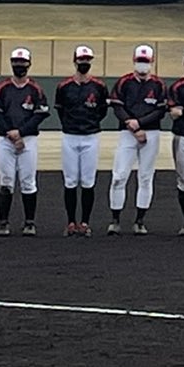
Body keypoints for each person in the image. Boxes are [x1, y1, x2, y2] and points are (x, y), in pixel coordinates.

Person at [0, 49, 50, 236]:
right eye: (16, 62)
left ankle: (29, 222)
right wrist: (11, 133)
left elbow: (40, 115)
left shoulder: (35, 89)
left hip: (28, 140)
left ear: (29, 64)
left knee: (28, 182)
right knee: (6, 180)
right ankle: (3, 223)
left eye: (23, 63)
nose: (19, 66)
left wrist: (21, 133)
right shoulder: (2, 88)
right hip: (5, 140)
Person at [107, 45, 166, 235]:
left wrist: (139, 123)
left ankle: (140, 221)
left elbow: (160, 110)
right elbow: (117, 106)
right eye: (140, 61)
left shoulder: (158, 85)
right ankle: (115, 220)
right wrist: (130, 123)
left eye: (146, 61)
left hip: (151, 133)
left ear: (152, 62)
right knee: (119, 176)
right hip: (127, 132)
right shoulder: (124, 82)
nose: (143, 65)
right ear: (134, 61)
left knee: (146, 177)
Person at [55, 46, 109, 236]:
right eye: (81, 59)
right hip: (70, 136)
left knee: (88, 181)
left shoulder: (99, 86)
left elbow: (102, 110)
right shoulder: (64, 86)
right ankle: (71, 222)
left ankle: (85, 222)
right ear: (75, 61)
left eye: (87, 59)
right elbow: (60, 110)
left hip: (90, 136)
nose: (84, 63)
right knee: (70, 180)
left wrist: (90, 123)